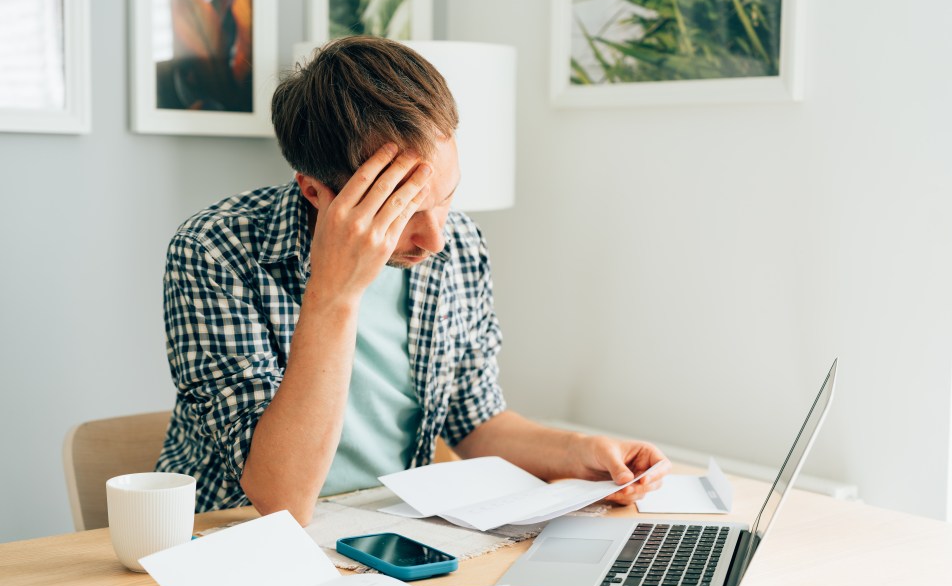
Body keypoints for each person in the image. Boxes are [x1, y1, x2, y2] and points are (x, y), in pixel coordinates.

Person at [157, 36, 670, 524]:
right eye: (402, 212)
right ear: (315, 192)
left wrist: (580, 452)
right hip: (232, 538)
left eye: (446, 199)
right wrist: (334, 293)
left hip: (397, 528)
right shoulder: (215, 251)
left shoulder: (460, 243)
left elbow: (477, 422)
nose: (436, 240)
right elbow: (280, 500)